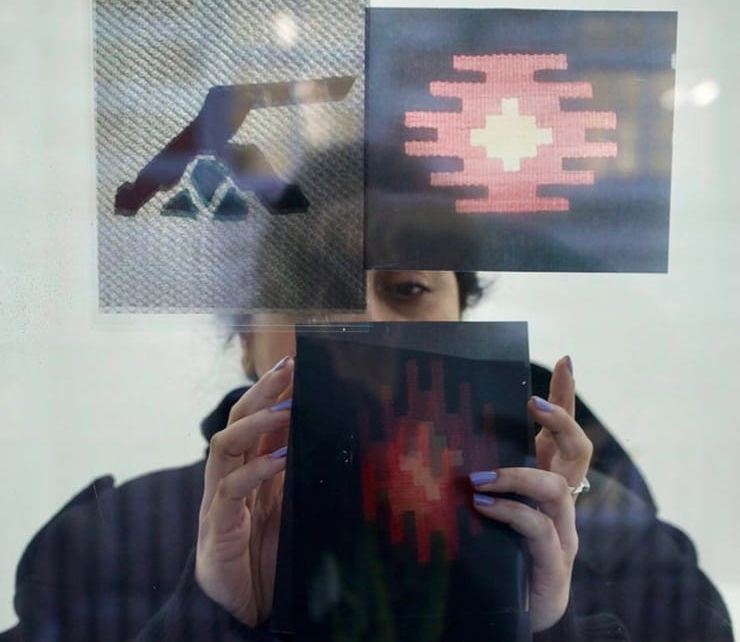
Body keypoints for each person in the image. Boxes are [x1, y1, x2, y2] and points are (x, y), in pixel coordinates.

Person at [1, 269, 733, 642]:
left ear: (462, 317)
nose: (364, 325)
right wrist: (210, 620)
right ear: (247, 338)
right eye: (312, 290)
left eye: (408, 290)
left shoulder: (625, 549)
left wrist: (541, 628)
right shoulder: (108, 541)